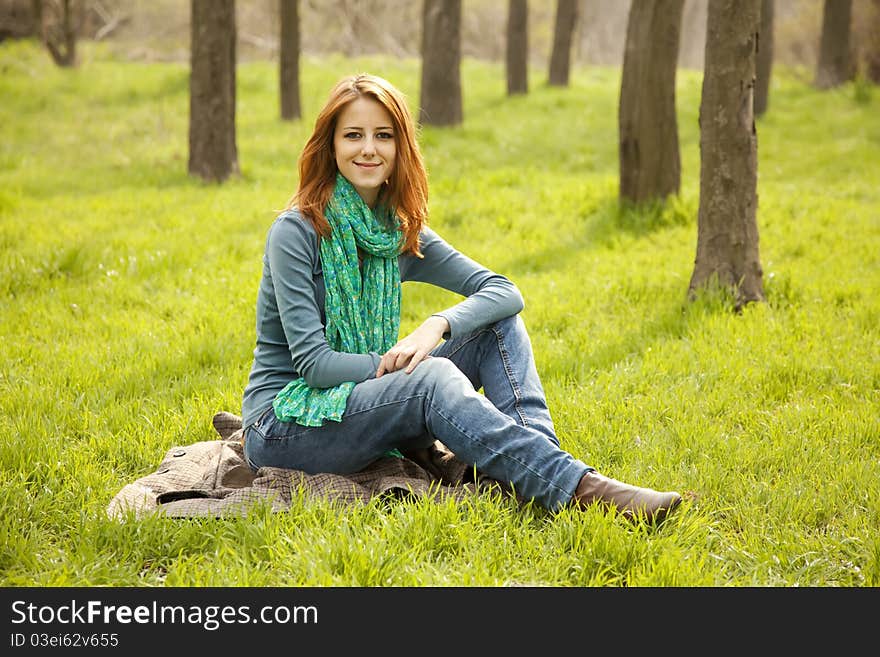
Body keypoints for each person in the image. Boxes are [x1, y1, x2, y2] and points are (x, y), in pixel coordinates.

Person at [240, 73, 682, 523]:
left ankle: (532, 469)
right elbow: (315, 366)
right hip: (285, 424)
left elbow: (503, 292)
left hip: (360, 402)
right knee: (429, 378)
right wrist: (402, 366)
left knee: (494, 324)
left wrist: (438, 325)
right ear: (330, 146)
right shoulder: (295, 232)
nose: (368, 148)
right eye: (353, 135)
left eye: (383, 136)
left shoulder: (398, 232)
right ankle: (581, 489)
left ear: (400, 149)